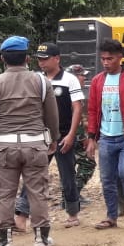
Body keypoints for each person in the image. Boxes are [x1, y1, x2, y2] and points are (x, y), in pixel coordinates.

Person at [0, 36, 60, 246]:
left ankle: (5, 243)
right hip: (35, 145)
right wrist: (54, 138)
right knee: (37, 192)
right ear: (27, 58)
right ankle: (41, 240)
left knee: (4, 194)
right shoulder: (42, 82)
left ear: (3, 59)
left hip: (5, 147)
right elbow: (52, 115)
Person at [85, 39, 124, 224]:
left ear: (120, 58)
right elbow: (92, 110)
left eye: (110, 59)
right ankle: (111, 216)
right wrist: (91, 138)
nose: (105, 62)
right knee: (107, 179)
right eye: (103, 59)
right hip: (106, 138)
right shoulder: (98, 81)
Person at [33, 42, 83, 227]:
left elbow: (77, 108)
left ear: (57, 59)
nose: (41, 63)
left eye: (45, 59)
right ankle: (22, 214)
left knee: (67, 175)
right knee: (34, 175)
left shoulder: (69, 79)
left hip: (63, 135)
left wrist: (71, 134)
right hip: (41, 136)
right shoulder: (36, 79)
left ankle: (72, 213)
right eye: (39, 59)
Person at [66, 64, 97, 209]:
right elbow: (72, 118)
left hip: (69, 136)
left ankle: (70, 196)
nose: (84, 78)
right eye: (81, 75)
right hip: (72, 137)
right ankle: (73, 195)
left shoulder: (70, 91)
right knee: (88, 163)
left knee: (68, 167)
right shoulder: (70, 93)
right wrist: (82, 138)